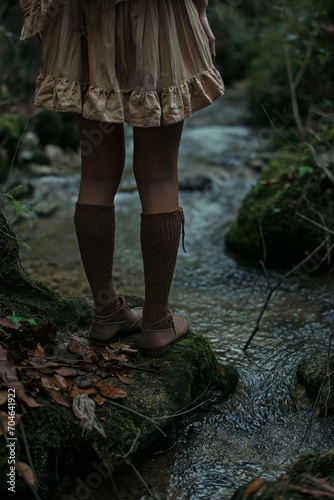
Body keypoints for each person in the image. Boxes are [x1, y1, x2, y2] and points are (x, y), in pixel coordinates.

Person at [20, 0, 224, 356]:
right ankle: (158, 321)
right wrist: (200, 11)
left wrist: (40, 9)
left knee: (96, 172)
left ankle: (107, 313)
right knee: (160, 175)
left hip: (82, 17)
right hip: (159, 16)